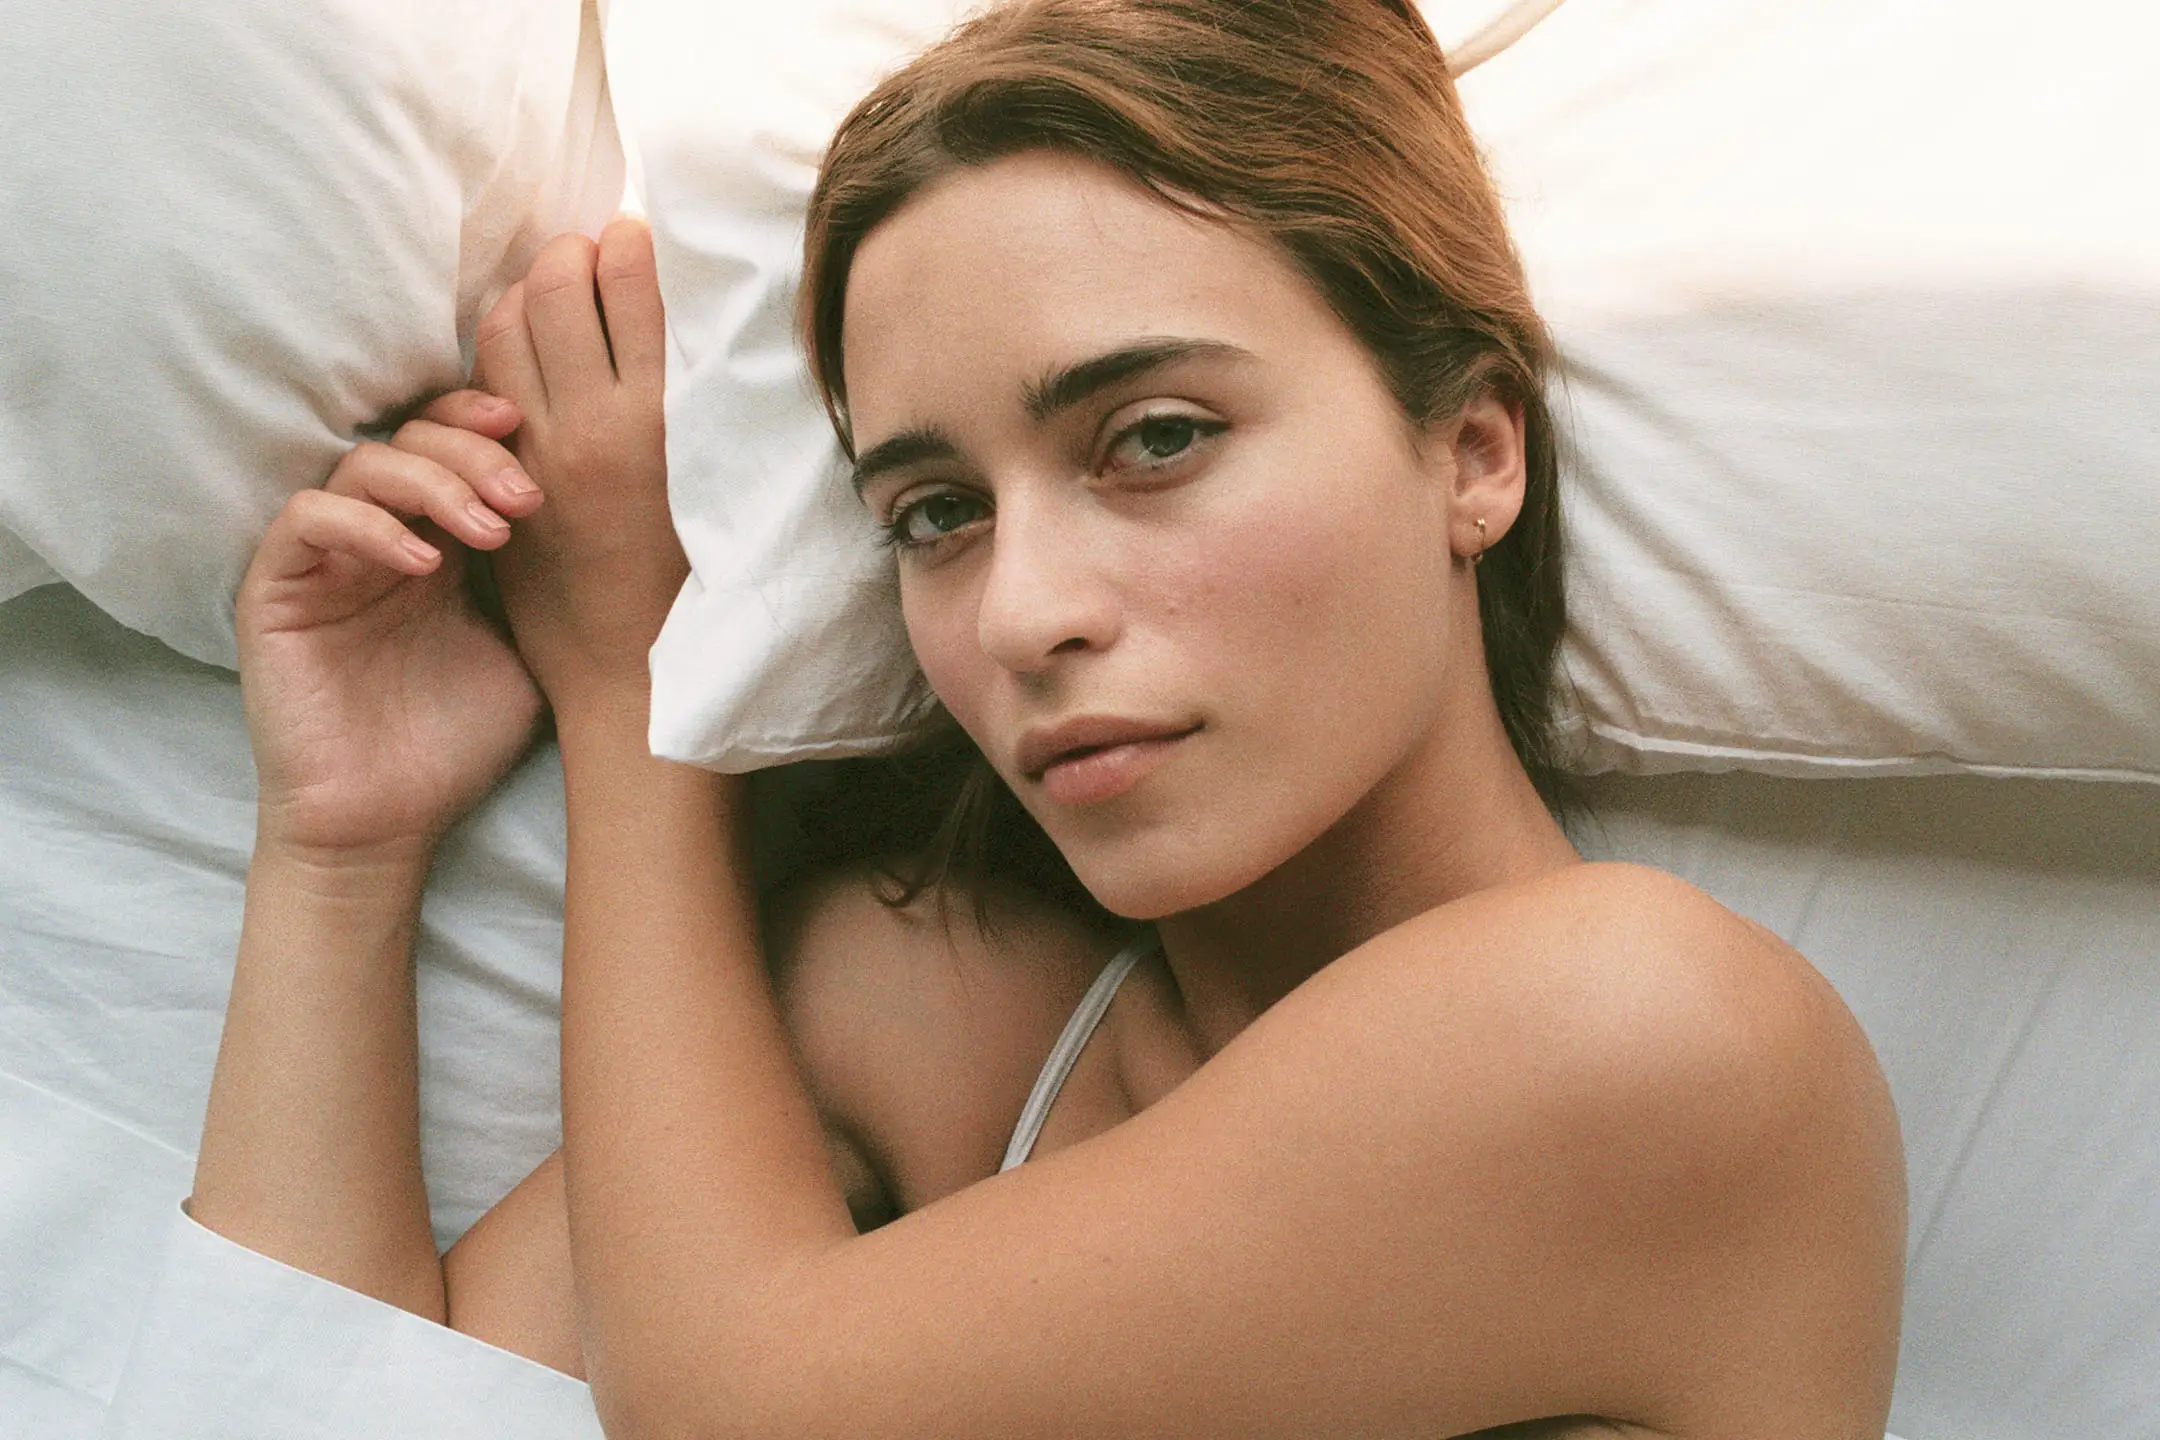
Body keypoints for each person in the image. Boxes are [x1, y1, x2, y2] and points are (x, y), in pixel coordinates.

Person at [193, 0, 1908, 1435]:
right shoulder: (912, 1006)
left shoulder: (1654, 1033)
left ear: (1473, 453)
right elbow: (331, 1412)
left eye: (1155, 438)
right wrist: (343, 848)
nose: (1021, 614)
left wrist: (639, 691)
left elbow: (731, 1407)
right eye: (937, 513)